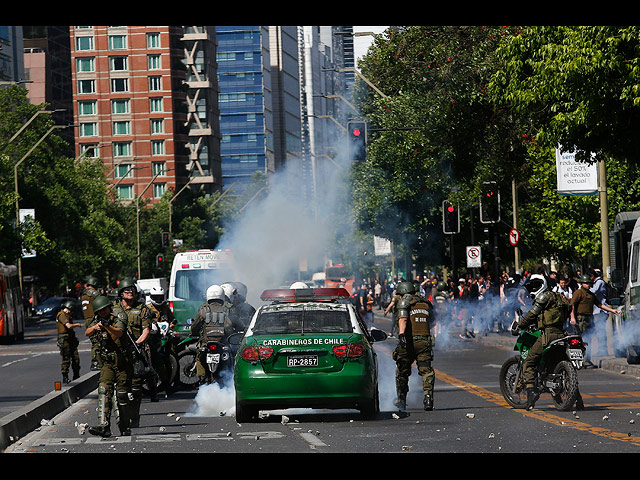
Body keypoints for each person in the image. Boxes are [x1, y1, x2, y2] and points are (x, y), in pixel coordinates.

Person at [514, 274, 573, 410]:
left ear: (542, 284)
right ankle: (578, 398)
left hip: (548, 335)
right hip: (562, 334)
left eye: (535, 286)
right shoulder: (560, 296)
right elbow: (567, 310)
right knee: (560, 362)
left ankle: (531, 392)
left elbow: (532, 314)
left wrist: (520, 324)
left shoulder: (543, 297)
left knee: (528, 362)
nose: (533, 289)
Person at [86, 295, 133, 437]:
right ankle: (103, 426)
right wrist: (96, 326)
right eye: (100, 312)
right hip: (108, 362)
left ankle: (125, 426)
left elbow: (119, 332)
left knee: (121, 395)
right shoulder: (97, 320)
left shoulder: (119, 316)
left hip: (123, 362)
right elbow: (87, 332)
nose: (103, 313)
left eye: (104, 310)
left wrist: (107, 326)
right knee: (103, 389)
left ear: (109, 308)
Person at [112, 278, 152, 427]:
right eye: (127, 290)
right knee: (121, 389)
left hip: (135, 352)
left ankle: (134, 416)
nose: (130, 293)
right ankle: (122, 419)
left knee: (136, 388)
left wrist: (137, 344)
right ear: (121, 293)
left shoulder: (142, 308)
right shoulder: (114, 309)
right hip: (119, 353)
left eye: (132, 290)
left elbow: (146, 329)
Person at [392, 280, 435, 411]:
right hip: (424, 342)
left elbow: (403, 319)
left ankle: (401, 399)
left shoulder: (404, 303)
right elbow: (432, 321)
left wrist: (401, 335)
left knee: (402, 371)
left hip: (409, 342)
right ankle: (428, 398)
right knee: (426, 371)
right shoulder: (426, 304)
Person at [570, 274, 620, 363]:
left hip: (590, 317)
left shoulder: (591, 294)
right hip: (581, 318)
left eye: (589, 283)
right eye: (585, 283)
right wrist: (572, 317)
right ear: (582, 283)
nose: (587, 284)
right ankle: (581, 359)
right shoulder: (578, 292)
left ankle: (587, 358)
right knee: (583, 338)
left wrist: (612, 310)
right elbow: (572, 305)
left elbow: (600, 305)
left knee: (589, 338)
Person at [190, 284, 230, 384]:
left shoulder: (203, 309)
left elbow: (195, 326)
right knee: (231, 356)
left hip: (206, 343)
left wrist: (193, 333)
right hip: (222, 342)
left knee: (199, 357)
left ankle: (202, 378)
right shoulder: (226, 309)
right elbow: (229, 326)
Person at [146, 286, 176, 399]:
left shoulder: (165, 307)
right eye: (156, 297)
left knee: (171, 357)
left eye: (160, 297)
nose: (158, 299)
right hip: (152, 339)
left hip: (165, 337)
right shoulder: (147, 308)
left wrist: (172, 324)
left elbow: (172, 319)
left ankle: (172, 384)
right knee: (151, 363)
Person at [56, 300, 83, 383]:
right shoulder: (62, 315)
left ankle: (76, 375)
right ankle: (65, 376)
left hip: (70, 339)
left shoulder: (67, 316)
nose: (71, 313)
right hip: (65, 340)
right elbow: (68, 326)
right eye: (71, 311)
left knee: (75, 358)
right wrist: (77, 325)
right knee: (66, 358)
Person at [81, 276, 102, 371]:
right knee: (96, 342)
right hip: (93, 319)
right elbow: (101, 301)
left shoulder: (84, 294)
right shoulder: (93, 293)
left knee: (95, 342)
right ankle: (96, 362)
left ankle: (96, 361)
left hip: (87, 319)